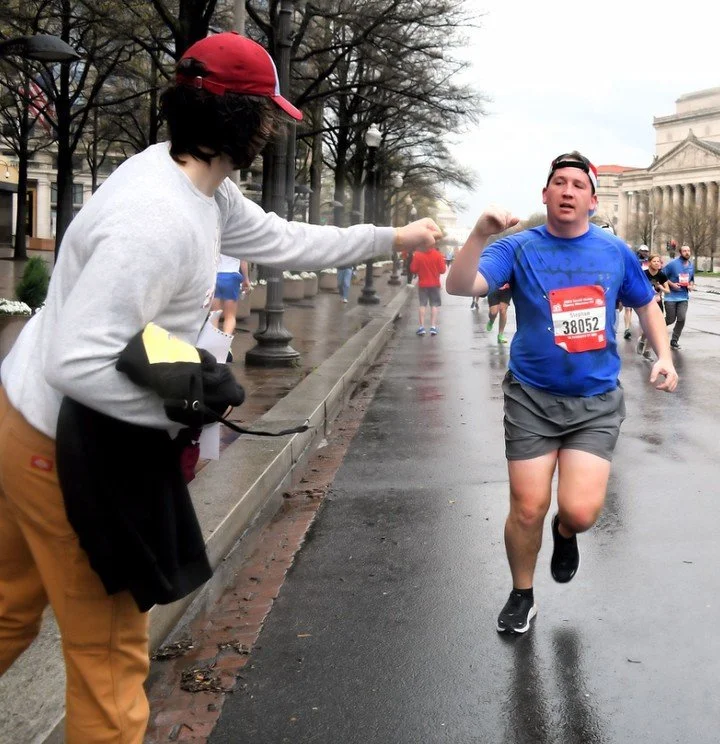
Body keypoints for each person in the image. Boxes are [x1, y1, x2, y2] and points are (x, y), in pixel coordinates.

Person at [0, 31, 442, 743]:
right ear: (239, 120)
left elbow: (281, 237)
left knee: (8, 607)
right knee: (109, 656)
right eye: (267, 115)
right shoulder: (155, 220)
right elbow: (79, 363)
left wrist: (390, 238)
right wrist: (183, 405)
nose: (271, 130)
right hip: (63, 449)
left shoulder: (191, 183)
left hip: (21, 413)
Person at [446, 151, 678, 635]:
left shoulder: (614, 251)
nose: (568, 190)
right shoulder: (518, 248)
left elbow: (647, 304)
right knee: (527, 506)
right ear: (546, 194)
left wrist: (665, 356)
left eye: (578, 184)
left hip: (595, 403)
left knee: (580, 510)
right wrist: (480, 233)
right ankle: (521, 593)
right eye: (559, 182)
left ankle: (565, 531)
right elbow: (460, 284)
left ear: (593, 201)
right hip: (531, 398)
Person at [410, 241, 446, 336]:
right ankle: (433, 327)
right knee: (434, 305)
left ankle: (421, 327)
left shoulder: (418, 255)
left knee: (422, 305)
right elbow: (443, 270)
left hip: (423, 284)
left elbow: (413, 269)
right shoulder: (438, 255)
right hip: (435, 284)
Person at [637, 254, 669, 359]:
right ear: (649, 262)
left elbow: (668, 291)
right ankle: (642, 339)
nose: (656, 263)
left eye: (658, 262)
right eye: (654, 261)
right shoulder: (644, 274)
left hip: (658, 303)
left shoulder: (662, 275)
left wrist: (660, 288)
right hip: (646, 303)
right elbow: (638, 288)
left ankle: (647, 350)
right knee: (649, 327)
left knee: (656, 328)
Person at [663, 244, 695, 349]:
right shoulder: (673, 264)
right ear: (680, 253)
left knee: (682, 318)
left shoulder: (691, 265)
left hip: (683, 297)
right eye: (685, 251)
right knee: (670, 319)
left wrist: (691, 285)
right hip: (671, 297)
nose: (687, 253)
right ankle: (654, 328)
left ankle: (674, 340)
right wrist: (672, 285)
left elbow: (691, 279)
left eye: (688, 251)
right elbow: (662, 276)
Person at [622, 244, 649, 340]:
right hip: (630, 285)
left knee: (642, 310)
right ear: (639, 251)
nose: (644, 253)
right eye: (643, 251)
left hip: (642, 287)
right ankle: (627, 329)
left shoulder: (648, 261)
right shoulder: (633, 259)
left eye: (646, 251)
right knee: (628, 309)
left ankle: (642, 331)